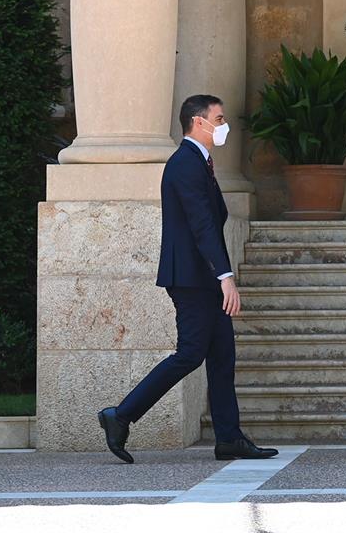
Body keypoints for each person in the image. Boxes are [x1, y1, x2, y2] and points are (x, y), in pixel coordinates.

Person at [97, 95, 277, 463]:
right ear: (198, 122)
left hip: (203, 276)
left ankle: (229, 438)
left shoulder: (199, 162)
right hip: (194, 278)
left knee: (223, 355)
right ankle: (121, 415)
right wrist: (225, 276)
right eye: (219, 118)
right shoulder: (185, 164)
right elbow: (202, 225)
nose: (224, 125)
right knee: (191, 354)